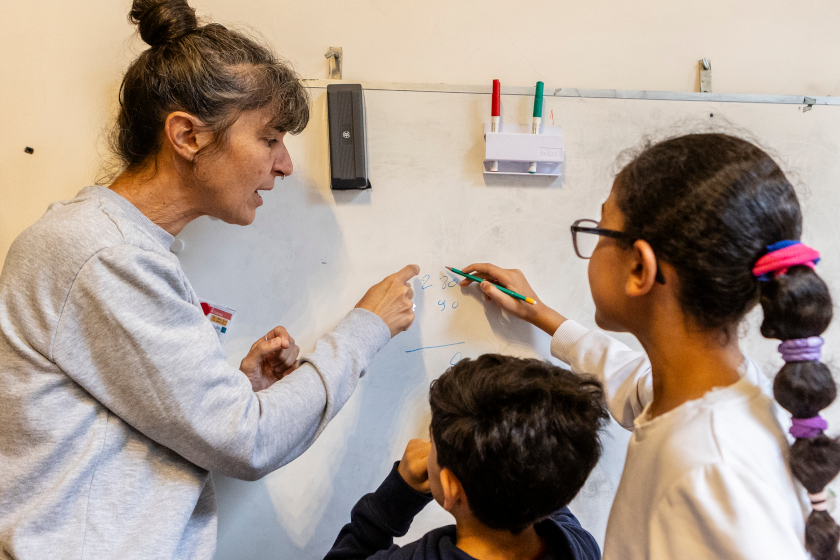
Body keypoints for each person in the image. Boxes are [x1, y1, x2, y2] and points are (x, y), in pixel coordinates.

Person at [0, 1, 418, 558]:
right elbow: (250, 441)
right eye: (269, 139)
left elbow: (122, 427)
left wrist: (236, 392)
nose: (285, 164)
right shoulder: (104, 256)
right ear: (187, 136)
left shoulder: (113, 249)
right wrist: (367, 327)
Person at [457, 134, 836, 559]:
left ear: (639, 267)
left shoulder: (712, 468)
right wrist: (538, 312)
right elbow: (627, 375)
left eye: (599, 232)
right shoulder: (700, 389)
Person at [325, 354, 609, 560]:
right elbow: (543, 471)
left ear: (450, 486)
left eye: (432, 442)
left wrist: (396, 496)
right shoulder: (579, 546)